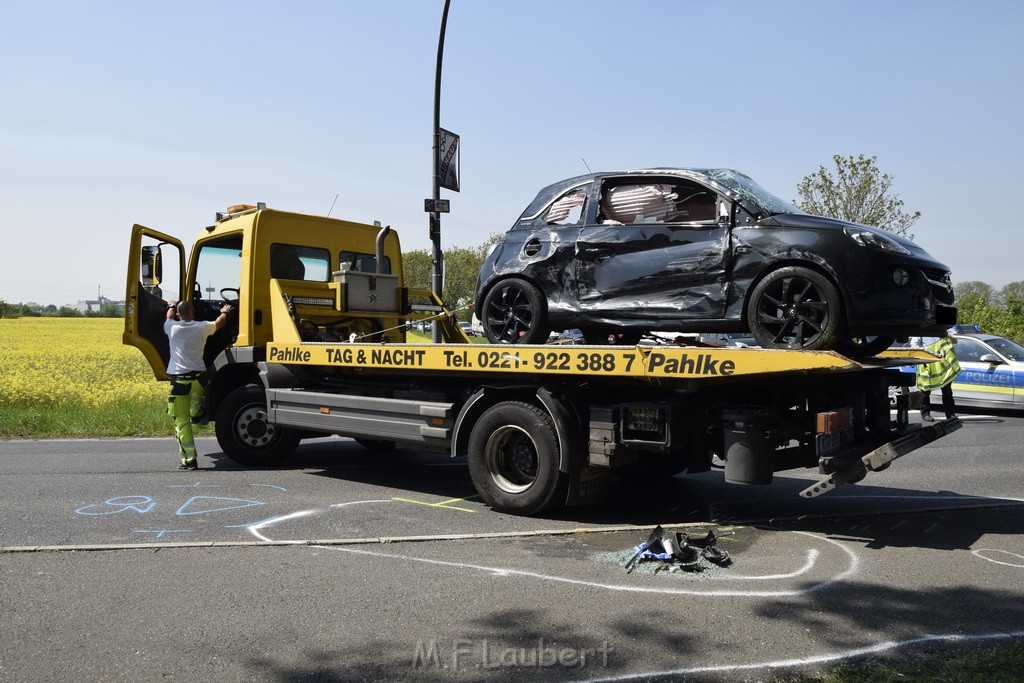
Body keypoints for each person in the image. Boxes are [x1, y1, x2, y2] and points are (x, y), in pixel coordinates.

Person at [164, 299, 233, 469]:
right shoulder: (201, 327)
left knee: (181, 421)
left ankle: (189, 460)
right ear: (194, 313)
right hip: (199, 379)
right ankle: (196, 413)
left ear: (179, 315)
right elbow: (220, 322)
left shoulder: (172, 327)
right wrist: (224, 310)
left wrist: (171, 305)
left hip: (180, 381)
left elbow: (169, 316)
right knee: (196, 396)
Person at [912, 333, 959, 422]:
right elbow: (914, 345)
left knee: (947, 392)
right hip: (928, 366)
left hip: (942, 366)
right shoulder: (921, 331)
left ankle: (950, 415)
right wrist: (922, 352)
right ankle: (925, 414)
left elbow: (955, 341)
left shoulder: (941, 330)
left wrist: (948, 335)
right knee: (925, 391)